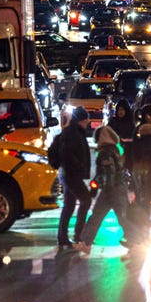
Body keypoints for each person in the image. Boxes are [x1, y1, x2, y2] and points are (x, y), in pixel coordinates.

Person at [74, 126, 140, 258]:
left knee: (101, 216)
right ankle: (86, 243)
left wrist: (105, 189)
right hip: (116, 188)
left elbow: (108, 173)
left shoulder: (105, 152)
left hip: (112, 189)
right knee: (110, 216)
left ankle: (137, 242)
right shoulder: (115, 150)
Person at [56, 106, 92, 250]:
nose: (87, 122)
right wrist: (79, 167)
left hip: (69, 173)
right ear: (81, 120)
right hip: (72, 174)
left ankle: (63, 237)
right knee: (86, 200)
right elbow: (68, 154)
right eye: (86, 120)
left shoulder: (75, 131)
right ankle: (78, 235)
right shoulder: (73, 133)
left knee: (70, 205)